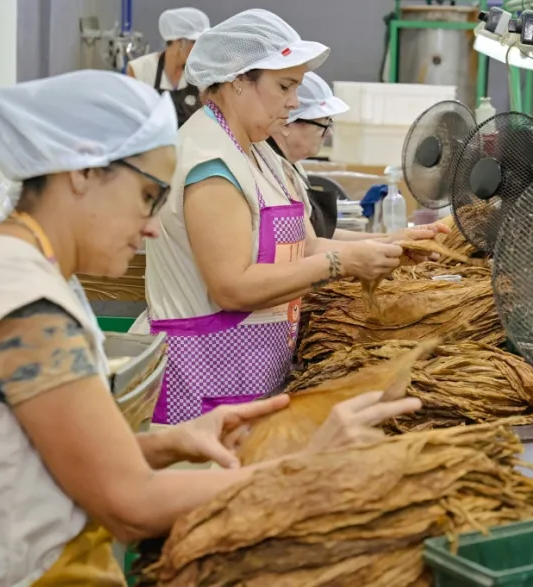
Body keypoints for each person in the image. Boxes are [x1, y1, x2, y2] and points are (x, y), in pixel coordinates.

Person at [0, 71, 421, 587]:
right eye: (147, 197)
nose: (154, 226)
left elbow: (19, 460)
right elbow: (130, 505)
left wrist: (167, 444)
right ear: (83, 173)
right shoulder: (24, 309)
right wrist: (302, 468)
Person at [137, 9, 445, 426]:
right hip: (204, 380)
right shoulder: (210, 163)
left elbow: (305, 243)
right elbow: (232, 288)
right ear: (237, 79)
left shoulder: (259, 153)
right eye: (284, 86)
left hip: (253, 371)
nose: (295, 102)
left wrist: (391, 244)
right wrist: (342, 264)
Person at [269, 71, 450, 242]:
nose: (329, 133)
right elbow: (309, 247)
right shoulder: (271, 177)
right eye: (323, 124)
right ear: (287, 124)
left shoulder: (291, 168)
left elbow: (323, 235)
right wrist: (387, 243)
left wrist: (395, 239)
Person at [127, 7, 209, 127]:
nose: (200, 48)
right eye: (194, 41)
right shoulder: (140, 69)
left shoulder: (203, 73)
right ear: (177, 41)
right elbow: (131, 119)